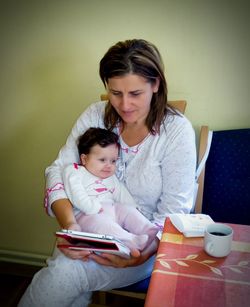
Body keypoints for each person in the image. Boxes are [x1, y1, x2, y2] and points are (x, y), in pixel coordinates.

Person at [19, 38, 196, 306]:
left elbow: (174, 209)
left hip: (141, 245)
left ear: (156, 84)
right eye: (115, 93)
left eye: (135, 93)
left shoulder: (176, 131)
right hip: (84, 229)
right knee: (67, 275)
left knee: (64, 274)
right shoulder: (94, 115)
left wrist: (142, 253)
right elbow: (59, 170)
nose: (124, 105)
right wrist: (71, 228)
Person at [62, 127, 158, 250]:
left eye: (113, 161)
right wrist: (91, 207)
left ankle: (149, 230)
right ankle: (131, 240)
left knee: (127, 211)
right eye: (102, 160)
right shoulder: (75, 171)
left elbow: (120, 193)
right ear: (84, 159)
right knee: (102, 225)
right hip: (87, 214)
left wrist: (133, 208)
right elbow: (76, 192)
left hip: (112, 209)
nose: (109, 166)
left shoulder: (110, 177)